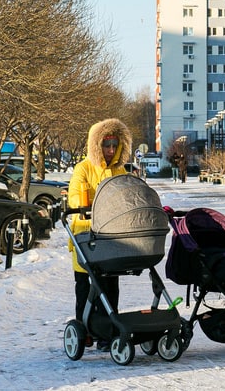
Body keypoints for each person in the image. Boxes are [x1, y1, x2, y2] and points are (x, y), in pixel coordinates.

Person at [67, 118, 132, 349]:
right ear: (97, 146)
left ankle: (108, 331)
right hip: (86, 236)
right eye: (106, 146)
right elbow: (75, 195)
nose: (111, 150)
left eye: (115, 145)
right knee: (85, 287)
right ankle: (83, 331)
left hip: (111, 236)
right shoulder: (83, 168)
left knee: (110, 286)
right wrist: (91, 206)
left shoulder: (119, 170)